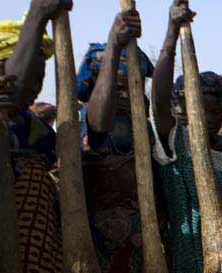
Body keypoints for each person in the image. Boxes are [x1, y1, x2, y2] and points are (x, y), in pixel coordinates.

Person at [149, 2, 222, 272]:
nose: (208, 117)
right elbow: (159, 104)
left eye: (215, 110)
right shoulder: (177, 142)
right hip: (195, 259)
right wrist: (171, 33)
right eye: (201, 110)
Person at [75, 9, 160, 272]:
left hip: (137, 230)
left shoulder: (142, 132)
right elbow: (99, 123)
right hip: (97, 230)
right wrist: (114, 45)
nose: (121, 95)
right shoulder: (92, 129)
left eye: (128, 87)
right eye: (115, 87)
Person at [0, 0, 67, 272]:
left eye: (40, 79)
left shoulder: (38, 132)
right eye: (29, 75)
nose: (33, 87)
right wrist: (37, 16)